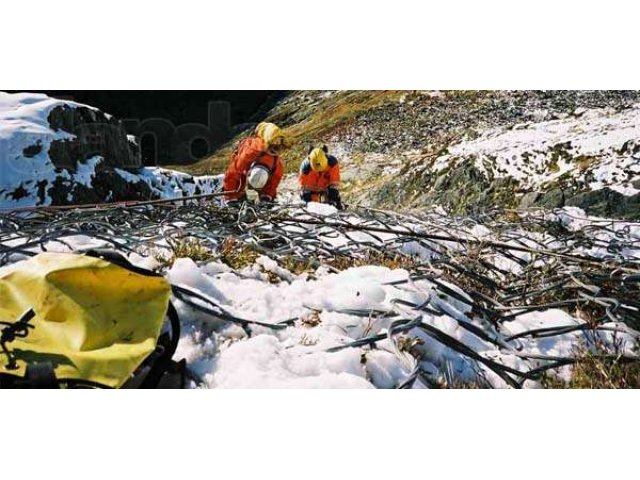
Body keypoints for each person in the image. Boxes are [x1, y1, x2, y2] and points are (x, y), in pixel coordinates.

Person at [223, 122, 290, 205]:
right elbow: (232, 174)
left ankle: (258, 198)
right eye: (273, 148)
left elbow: (274, 182)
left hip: (259, 170)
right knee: (239, 188)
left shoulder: (276, 164)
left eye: (277, 149)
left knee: (264, 196)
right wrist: (230, 198)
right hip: (245, 172)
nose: (275, 151)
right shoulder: (249, 152)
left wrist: (267, 196)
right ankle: (240, 196)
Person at [299, 145, 343, 210]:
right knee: (311, 208)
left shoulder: (332, 164)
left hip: (327, 189)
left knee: (334, 202)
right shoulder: (305, 169)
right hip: (312, 192)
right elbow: (305, 190)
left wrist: (333, 200)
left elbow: (334, 184)